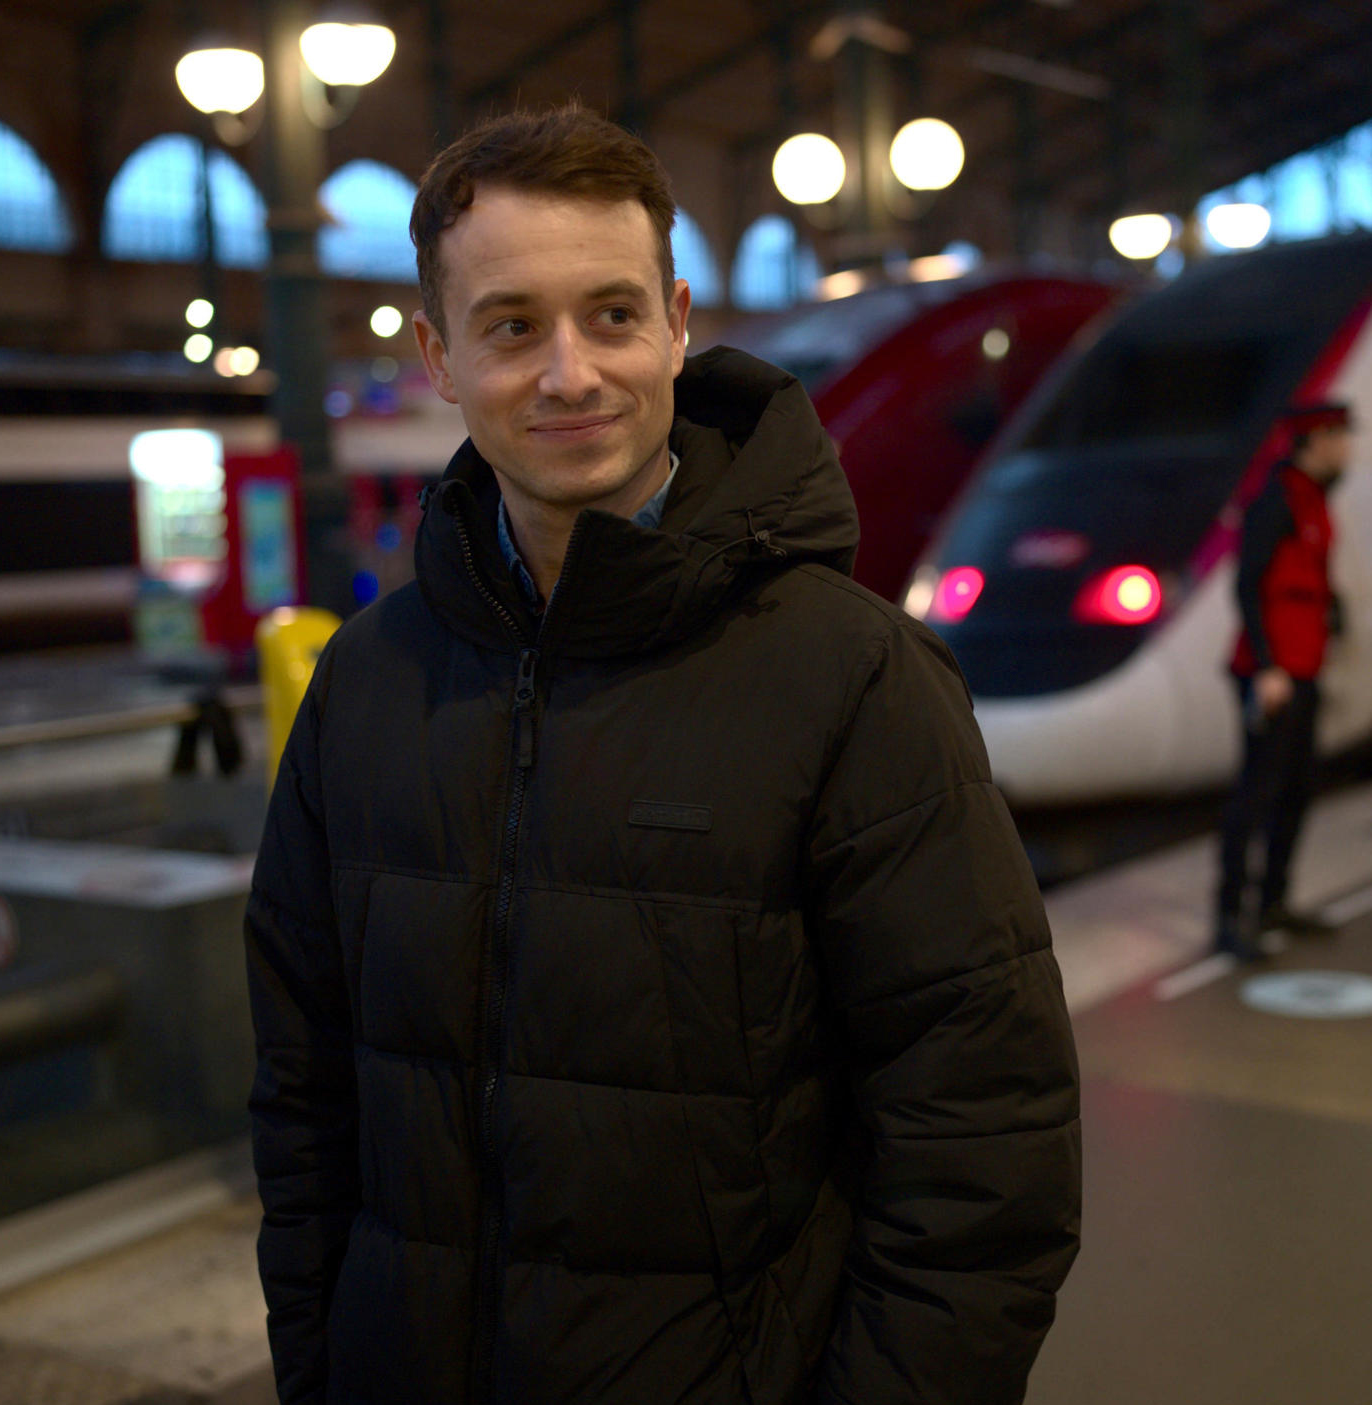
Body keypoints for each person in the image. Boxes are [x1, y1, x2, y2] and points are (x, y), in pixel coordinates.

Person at [245, 107, 1081, 1405]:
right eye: (513, 324)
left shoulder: (855, 680)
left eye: (614, 315)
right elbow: (303, 1113)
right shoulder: (366, 685)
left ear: (680, 325)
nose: (571, 372)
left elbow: (984, 1149)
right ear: (439, 358)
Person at [1214, 402, 1350, 961]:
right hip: (1271, 674)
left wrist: (1335, 610)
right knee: (1256, 793)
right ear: (1312, 440)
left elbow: (1309, 575)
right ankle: (1228, 919)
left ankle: (1274, 903)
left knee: (1297, 790)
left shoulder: (1314, 500)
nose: (1346, 448)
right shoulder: (1275, 502)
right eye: (1338, 437)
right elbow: (1247, 585)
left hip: (1306, 667)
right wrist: (1268, 666)